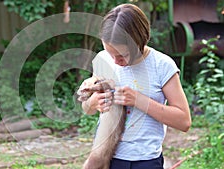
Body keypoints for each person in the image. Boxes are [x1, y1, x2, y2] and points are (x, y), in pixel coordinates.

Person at [81, 3, 191, 169]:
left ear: (139, 40)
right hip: (108, 158)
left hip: (146, 160)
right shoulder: (104, 59)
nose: (116, 62)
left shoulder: (162, 65)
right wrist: (92, 102)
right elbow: (87, 109)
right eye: (111, 54)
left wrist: (139, 100)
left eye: (123, 55)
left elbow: (184, 121)